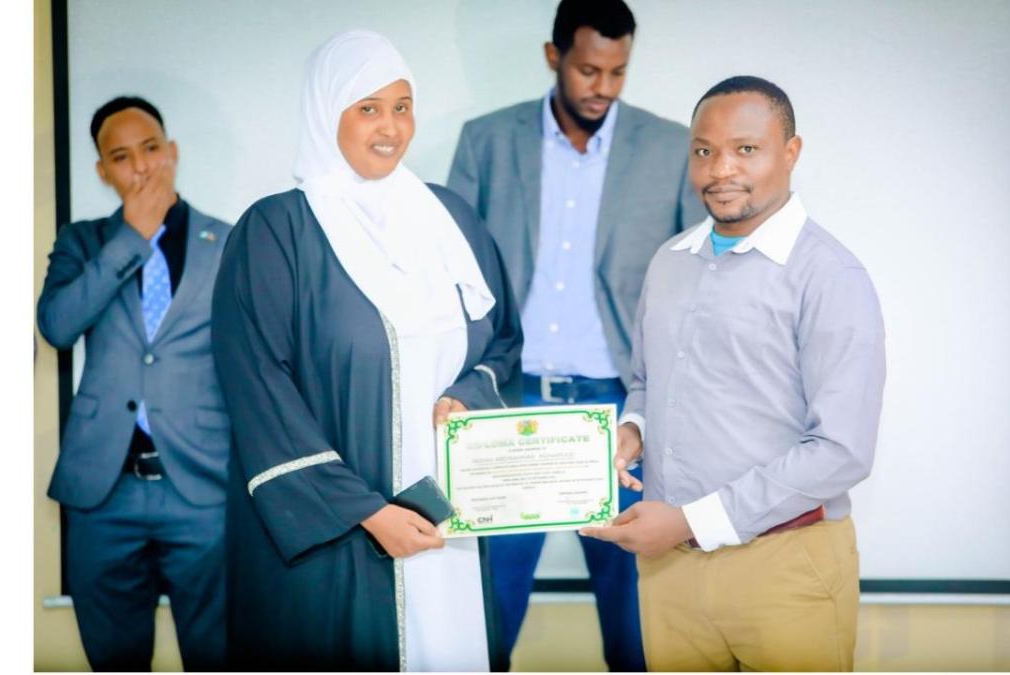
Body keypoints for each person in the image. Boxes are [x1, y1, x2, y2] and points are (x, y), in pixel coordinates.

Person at [211, 31, 522, 671]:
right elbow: (258, 390)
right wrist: (368, 513)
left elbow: (502, 342)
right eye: (368, 108)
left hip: (446, 522)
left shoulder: (451, 220)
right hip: (340, 539)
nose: (391, 127)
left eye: (402, 106)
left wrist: (468, 392)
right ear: (328, 114)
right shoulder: (277, 232)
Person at [581, 76, 887, 672]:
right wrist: (633, 430)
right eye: (704, 150)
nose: (721, 169)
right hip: (669, 574)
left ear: (791, 153)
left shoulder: (830, 276)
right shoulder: (669, 262)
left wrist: (691, 522)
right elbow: (646, 381)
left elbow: (842, 451)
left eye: (746, 149)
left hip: (783, 567)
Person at [446, 1, 703, 668]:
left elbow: (695, 285)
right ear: (553, 55)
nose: (605, 88)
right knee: (487, 604)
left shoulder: (671, 147)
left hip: (621, 407)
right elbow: (453, 276)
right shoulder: (485, 141)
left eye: (619, 72)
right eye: (590, 70)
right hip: (510, 402)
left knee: (635, 611)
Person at [36, 96, 231, 670]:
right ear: (103, 172)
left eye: (151, 149)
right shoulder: (82, 242)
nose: (142, 167)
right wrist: (132, 238)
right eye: (122, 158)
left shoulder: (230, 241)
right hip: (104, 490)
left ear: (172, 152)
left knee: (216, 654)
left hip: (202, 487)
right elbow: (57, 326)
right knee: (115, 658)